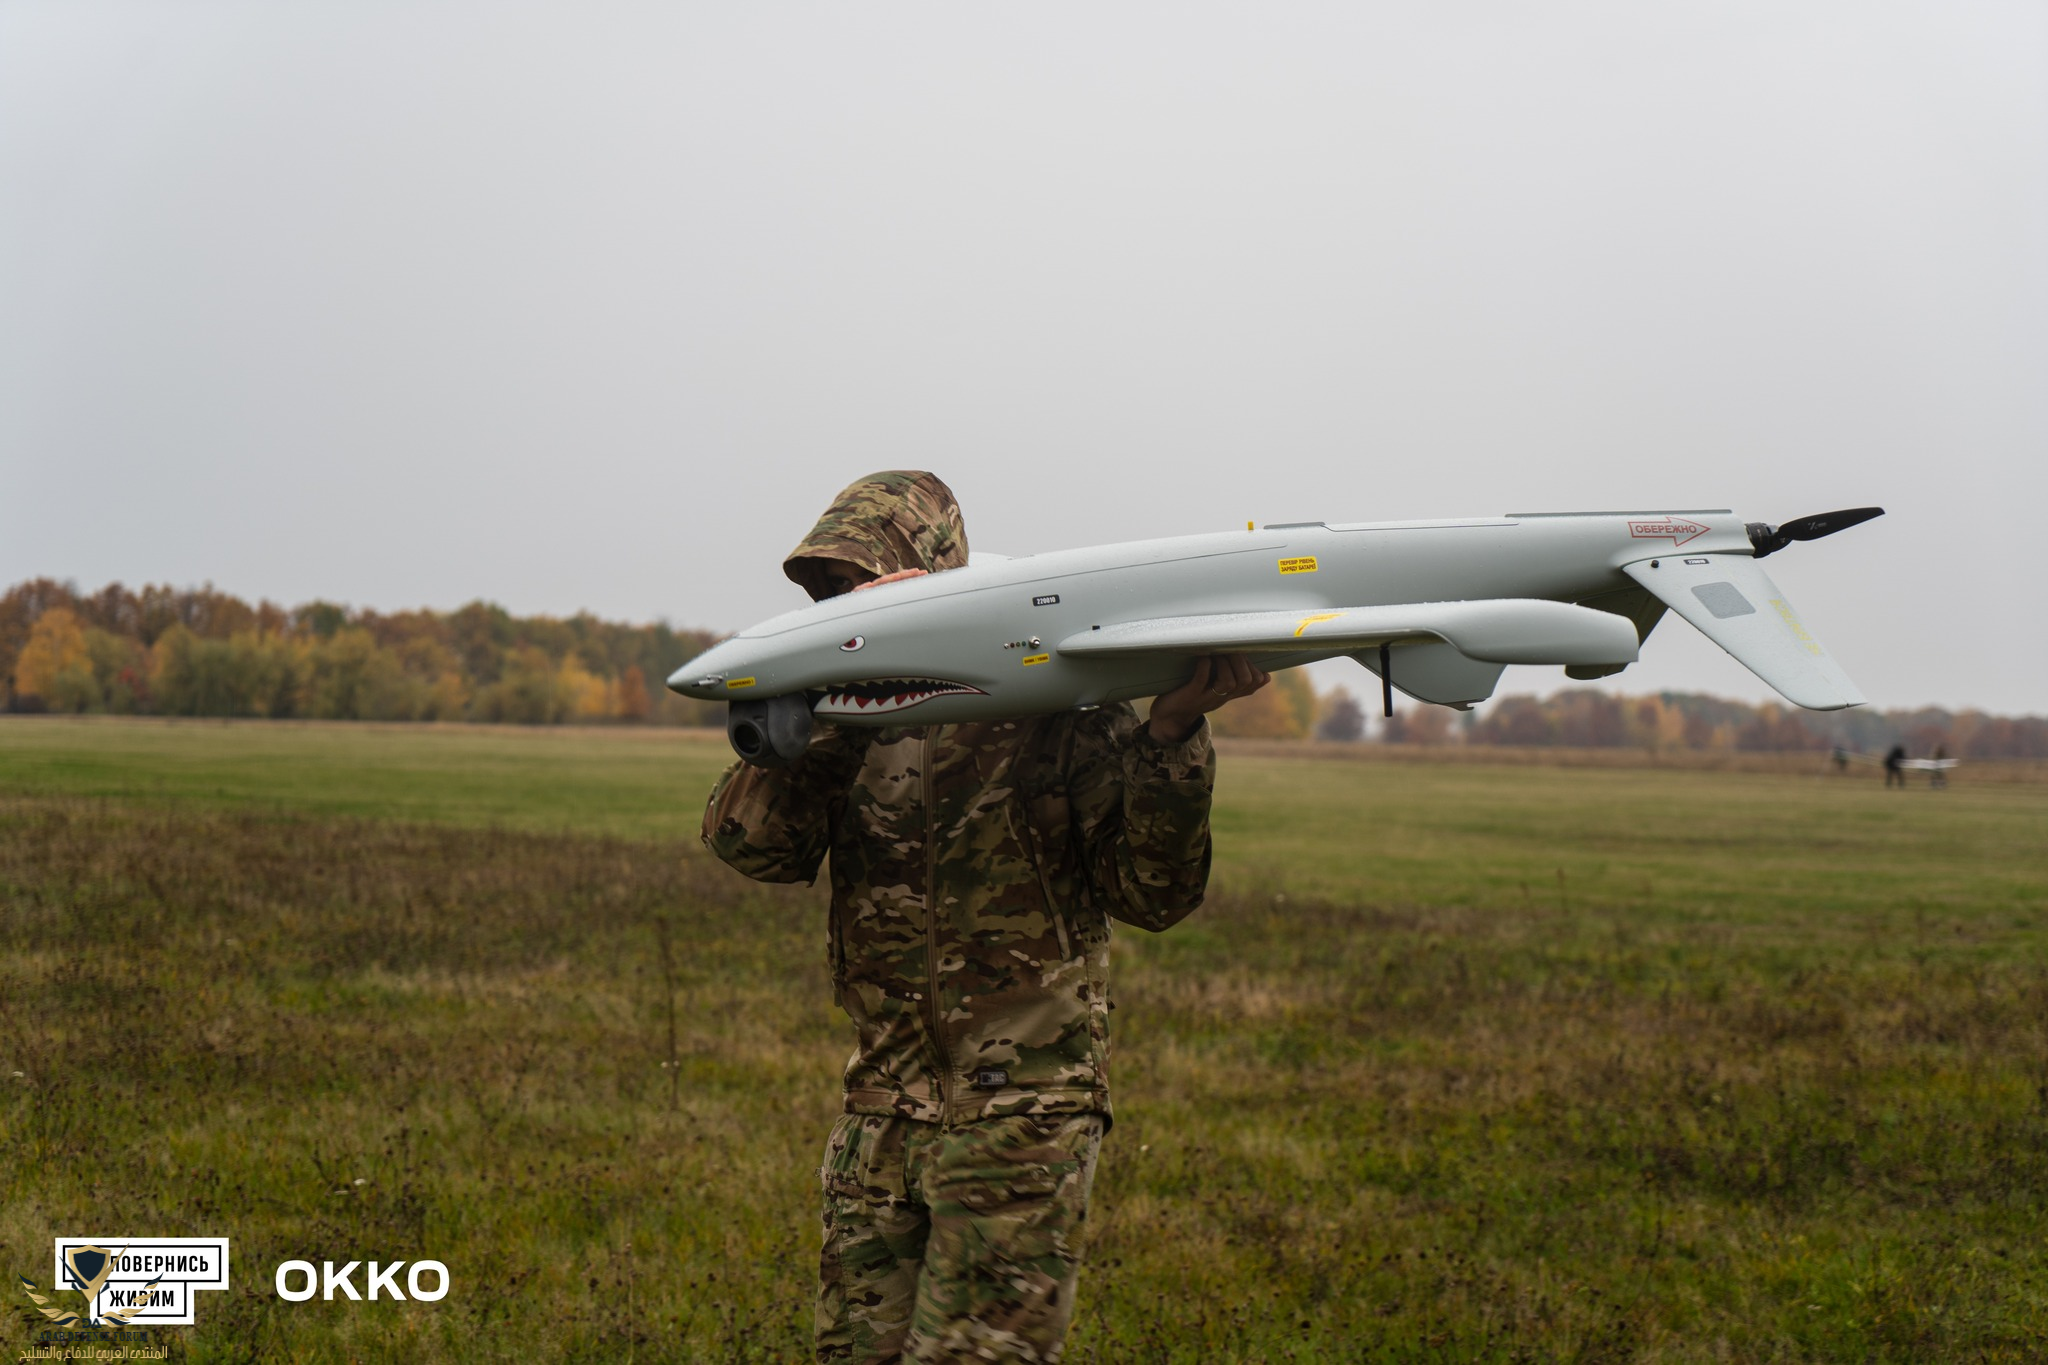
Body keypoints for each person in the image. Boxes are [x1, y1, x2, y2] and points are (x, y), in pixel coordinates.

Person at [700, 471, 1267, 1364]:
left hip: (1022, 1118)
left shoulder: (1051, 702)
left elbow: (1152, 893)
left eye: (865, 583)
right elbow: (753, 846)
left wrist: (1170, 739)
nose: (846, 605)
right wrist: (826, 713)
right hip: (881, 1113)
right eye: (834, 590)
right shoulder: (841, 716)